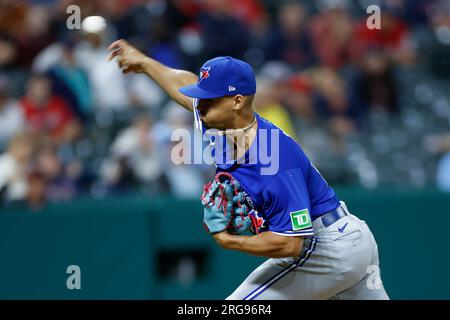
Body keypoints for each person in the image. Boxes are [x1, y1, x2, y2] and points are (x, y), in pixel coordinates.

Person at [107, 39, 389, 300]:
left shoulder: (275, 158)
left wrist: (231, 241)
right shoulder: (220, 118)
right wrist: (144, 62)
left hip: (326, 247)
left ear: (237, 101)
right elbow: (183, 84)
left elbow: (290, 245)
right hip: (352, 242)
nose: (199, 105)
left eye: (208, 99)